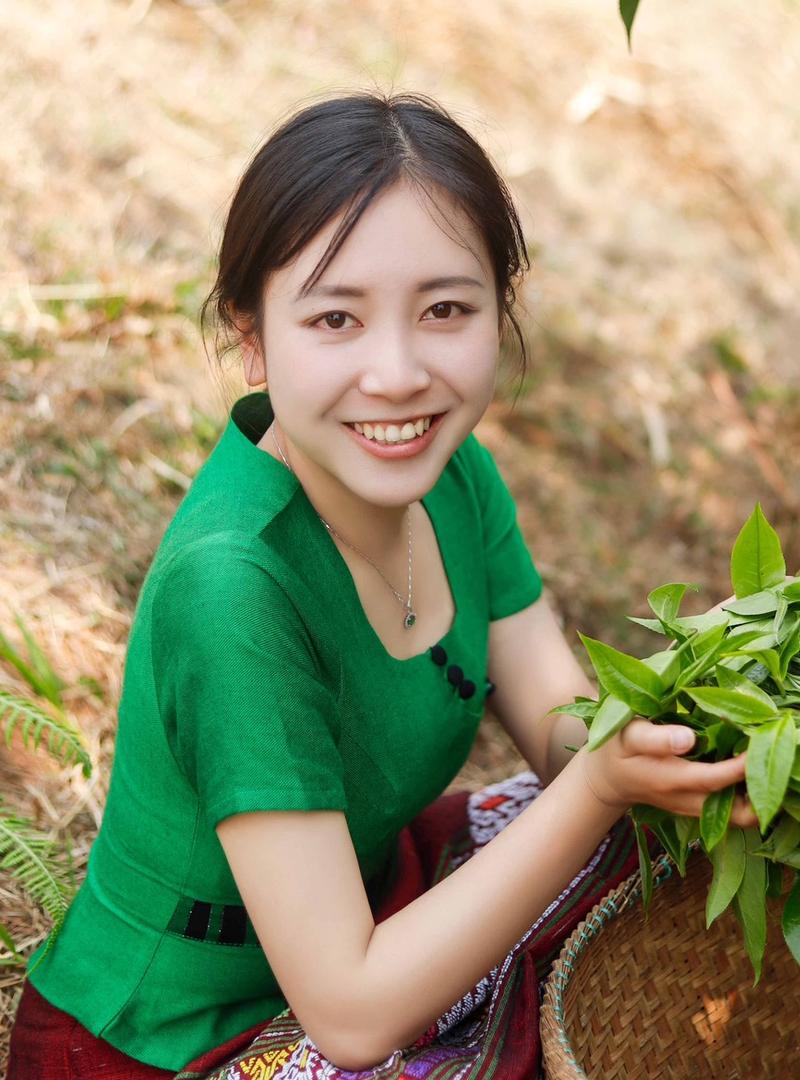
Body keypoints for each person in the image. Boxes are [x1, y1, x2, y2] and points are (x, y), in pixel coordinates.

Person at [7, 90, 755, 1078]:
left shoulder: (454, 479)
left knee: (646, 865)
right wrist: (603, 790)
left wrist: (673, 746)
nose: (397, 374)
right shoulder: (234, 588)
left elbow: (563, 729)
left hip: (367, 916)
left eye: (445, 309)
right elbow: (354, 1017)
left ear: (502, 310)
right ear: (254, 336)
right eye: (336, 319)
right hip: (179, 1042)